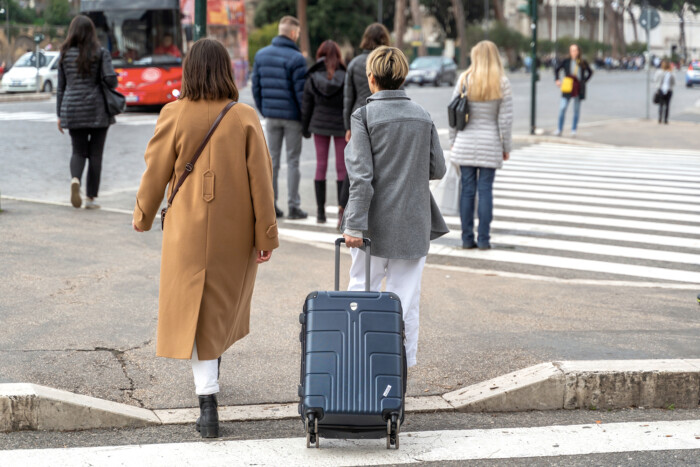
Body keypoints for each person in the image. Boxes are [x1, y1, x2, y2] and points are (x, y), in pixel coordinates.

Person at [131, 39, 279, 438]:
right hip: (235, 232)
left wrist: (143, 215)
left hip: (186, 230)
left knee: (195, 313)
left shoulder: (173, 114)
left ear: (190, 69)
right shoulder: (245, 116)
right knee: (217, 308)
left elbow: (155, 172)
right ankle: (211, 375)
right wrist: (265, 233)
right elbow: (262, 183)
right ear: (226, 70)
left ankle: (207, 402)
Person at [342, 46, 448, 369]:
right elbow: (438, 168)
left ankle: (359, 365)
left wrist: (354, 225)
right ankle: (399, 370)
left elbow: (361, 177)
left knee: (362, 293)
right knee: (406, 302)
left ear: (371, 79)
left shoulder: (364, 116)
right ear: (402, 78)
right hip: (413, 224)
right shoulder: (422, 115)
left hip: (371, 225)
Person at [449, 40, 513, 250]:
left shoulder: (465, 79)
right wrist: (506, 147)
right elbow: (506, 119)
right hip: (490, 142)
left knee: (467, 190)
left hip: (465, 141)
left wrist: (453, 141)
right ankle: (484, 239)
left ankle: (467, 239)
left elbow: (453, 114)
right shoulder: (501, 82)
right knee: (485, 190)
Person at [57, 15, 118, 210]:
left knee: (78, 151)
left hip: (72, 109)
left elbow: (60, 87)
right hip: (98, 110)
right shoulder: (100, 53)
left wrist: (59, 114)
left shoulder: (64, 54)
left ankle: (75, 179)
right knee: (96, 154)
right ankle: (91, 198)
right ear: (91, 32)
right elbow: (111, 80)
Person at [252, 16, 308, 219]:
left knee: (272, 161)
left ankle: (271, 205)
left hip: (271, 115)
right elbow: (301, 94)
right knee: (293, 161)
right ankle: (294, 206)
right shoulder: (297, 59)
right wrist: (305, 119)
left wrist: (264, 109)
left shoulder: (261, 55)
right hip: (293, 117)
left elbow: (256, 87)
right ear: (293, 33)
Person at [338, 23, 391, 229]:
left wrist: (347, 126)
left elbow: (347, 98)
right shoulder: (389, 60)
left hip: (358, 116)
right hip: (383, 115)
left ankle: (344, 209)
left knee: (355, 165)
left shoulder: (355, 63)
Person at [301, 40, 347, 224]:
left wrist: (305, 128)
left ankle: (320, 213)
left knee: (320, 165)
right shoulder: (345, 75)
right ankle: (341, 214)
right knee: (341, 168)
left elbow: (307, 104)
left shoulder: (313, 77)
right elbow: (348, 102)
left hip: (319, 124)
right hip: (340, 125)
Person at [554, 44, 593, 137]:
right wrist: (557, 80)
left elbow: (590, 72)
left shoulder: (582, 62)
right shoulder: (566, 61)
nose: (574, 52)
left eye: (575, 50)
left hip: (578, 88)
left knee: (576, 110)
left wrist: (584, 81)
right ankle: (559, 129)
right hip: (568, 87)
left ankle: (573, 129)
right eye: (572, 50)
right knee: (562, 108)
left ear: (578, 51)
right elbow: (556, 69)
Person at [654, 59, 675, 124]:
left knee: (661, 104)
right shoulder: (671, 73)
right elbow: (673, 82)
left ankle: (660, 118)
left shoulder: (659, 72)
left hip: (661, 89)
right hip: (669, 90)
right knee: (667, 105)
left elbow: (655, 79)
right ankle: (665, 119)